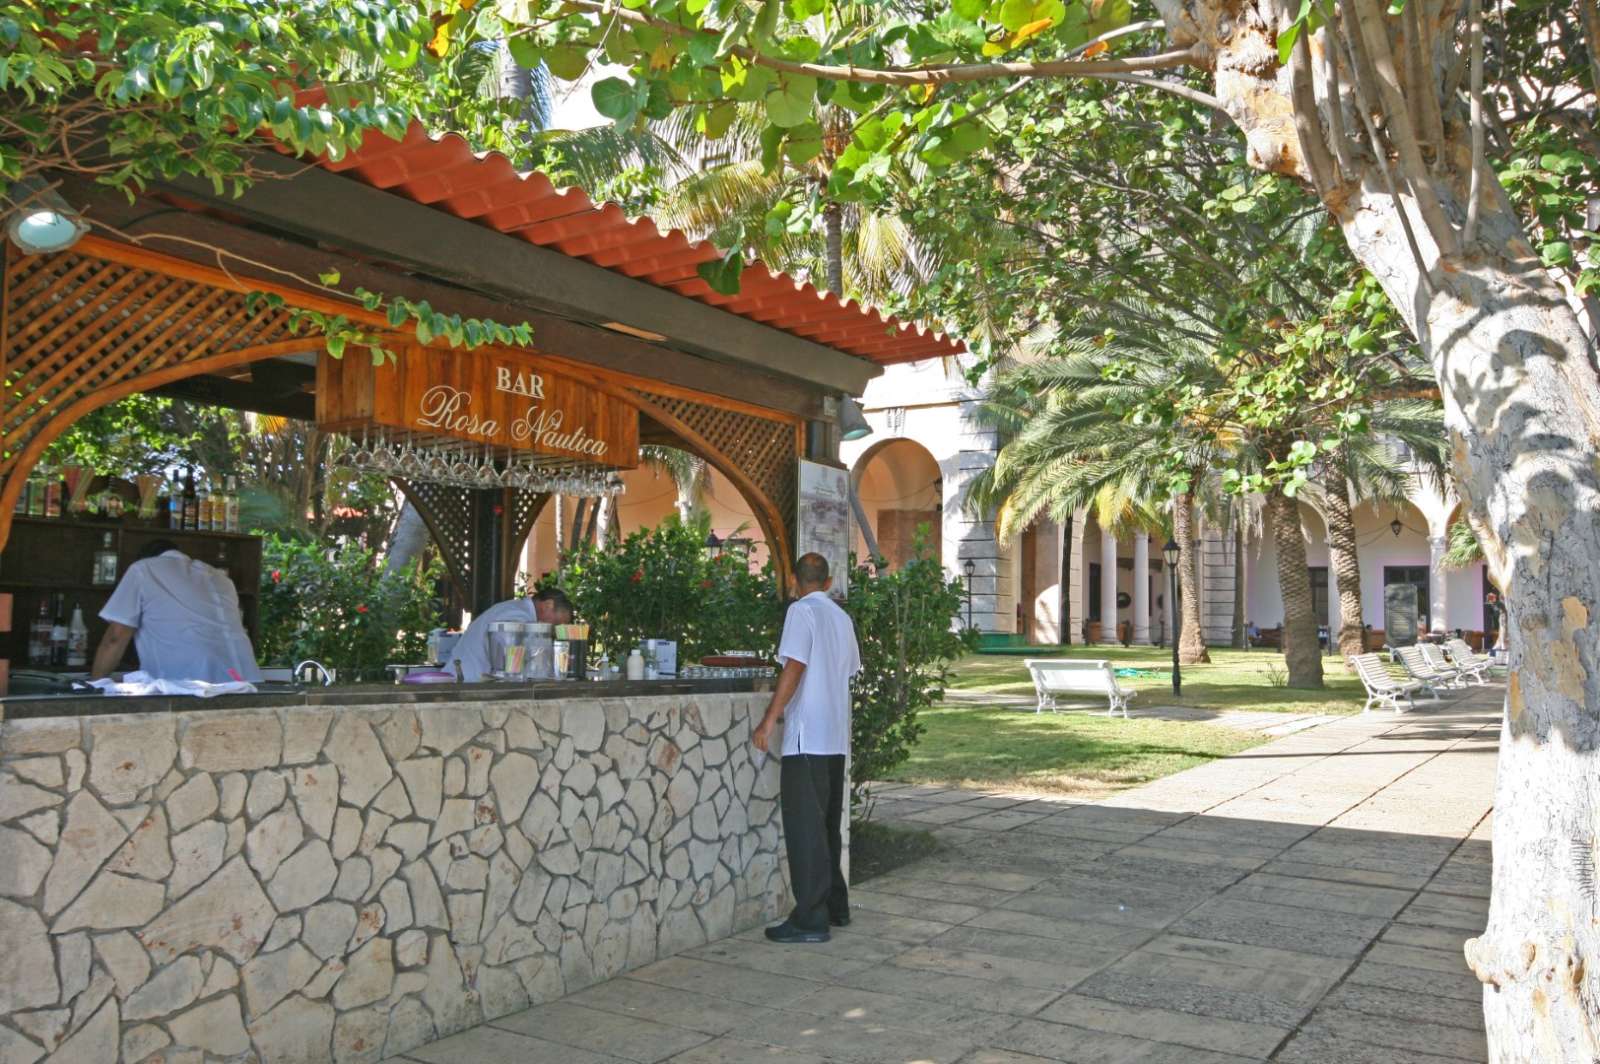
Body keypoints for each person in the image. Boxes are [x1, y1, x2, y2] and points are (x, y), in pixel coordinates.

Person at [753, 552, 860, 944]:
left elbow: (794, 666)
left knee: (805, 829)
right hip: (834, 737)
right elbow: (846, 670)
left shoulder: (801, 612)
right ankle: (836, 906)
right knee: (827, 825)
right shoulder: (841, 618)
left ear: (795, 582)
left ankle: (810, 919)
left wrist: (769, 719)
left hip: (806, 736)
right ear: (829, 582)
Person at [91, 539, 263, 683]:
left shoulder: (143, 569)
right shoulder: (220, 578)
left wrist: (94, 685)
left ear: (146, 558)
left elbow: (115, 637)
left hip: (191, 683)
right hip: (245, 679)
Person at [452, 587, 574, 681]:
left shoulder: (517, 609)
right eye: (557, 623)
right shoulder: (518, 615)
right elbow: (511, 653)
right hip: (466, 681)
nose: (554, 630)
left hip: (466, 678)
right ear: (548, 605)